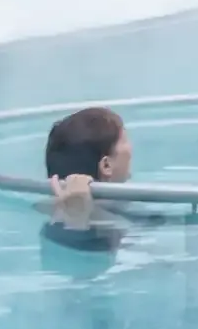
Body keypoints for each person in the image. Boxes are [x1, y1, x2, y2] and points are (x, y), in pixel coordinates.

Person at [44, 107, 134, 252]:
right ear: (106, 165)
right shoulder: (113, 217)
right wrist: (76, 220)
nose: (131, 148)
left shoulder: (44, 208)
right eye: (125, 140)